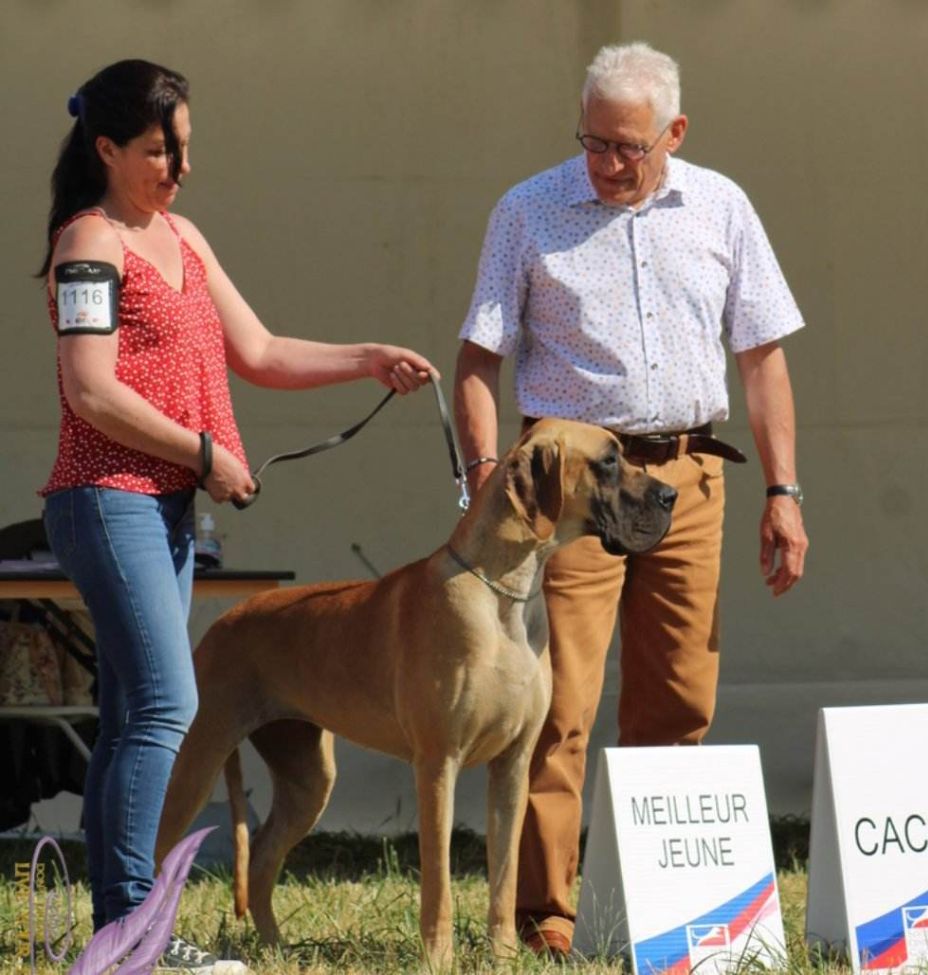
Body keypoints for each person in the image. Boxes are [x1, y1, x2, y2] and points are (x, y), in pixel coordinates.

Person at [38, 59, 435, 973]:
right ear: (105, 148)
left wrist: (365, 356)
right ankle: (140, 933)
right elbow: (90, 391)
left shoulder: (184, 236)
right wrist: (206, 454)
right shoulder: (86, 245)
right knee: (169, 705)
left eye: (185, 144)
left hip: (163, 503)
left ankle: (113, 936)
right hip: (108, 498)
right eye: (158, 149)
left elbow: (257, 349)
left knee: (134, 708)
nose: (180, 165)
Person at [454, 42, 809, 957]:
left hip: (688, 477)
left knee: (679, 697)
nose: (607, 164)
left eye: (629, 147)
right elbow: (478, 358)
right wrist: (487, 475)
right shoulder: (528, 210)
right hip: (570, 491)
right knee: (557, 702)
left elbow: (763, 357)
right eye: (593, 142)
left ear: (674, 133)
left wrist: (784, 489)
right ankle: (548, 911)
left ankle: (656, 893)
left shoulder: (723, 206)